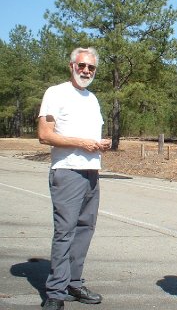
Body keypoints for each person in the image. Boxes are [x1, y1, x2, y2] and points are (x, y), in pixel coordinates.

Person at [38, 47, 111, 310]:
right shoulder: (56, 93)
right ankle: (56, 292)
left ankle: (74, 283)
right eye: (82, 65)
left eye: (91, 68)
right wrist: (82, 144)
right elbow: (45, 135)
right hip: (67, 171)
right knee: (65, 231)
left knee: (84, 230)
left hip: (92, 172)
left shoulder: (92, 98)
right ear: (71, 65)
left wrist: (100, 145)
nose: (86, 71)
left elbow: (89, 137)